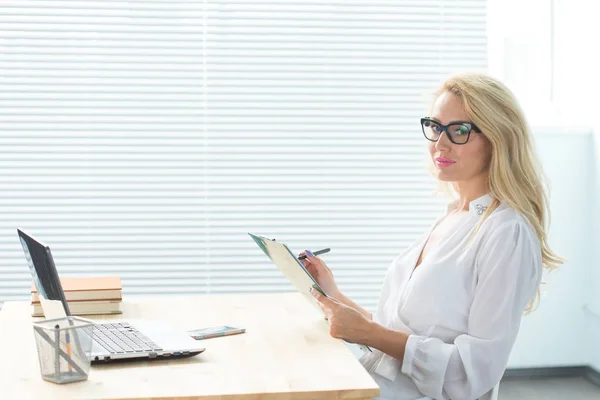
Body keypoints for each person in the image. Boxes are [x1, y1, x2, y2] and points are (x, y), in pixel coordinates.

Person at [299, 72, 564, 400]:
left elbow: (475, 372)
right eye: (436, 127)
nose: (440, 143)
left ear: (498, 138)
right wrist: (332, 293)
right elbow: (395, 337)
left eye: (460, 130)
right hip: (375, 386)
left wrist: (367, 332)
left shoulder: (507, 233)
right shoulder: (454, 216)